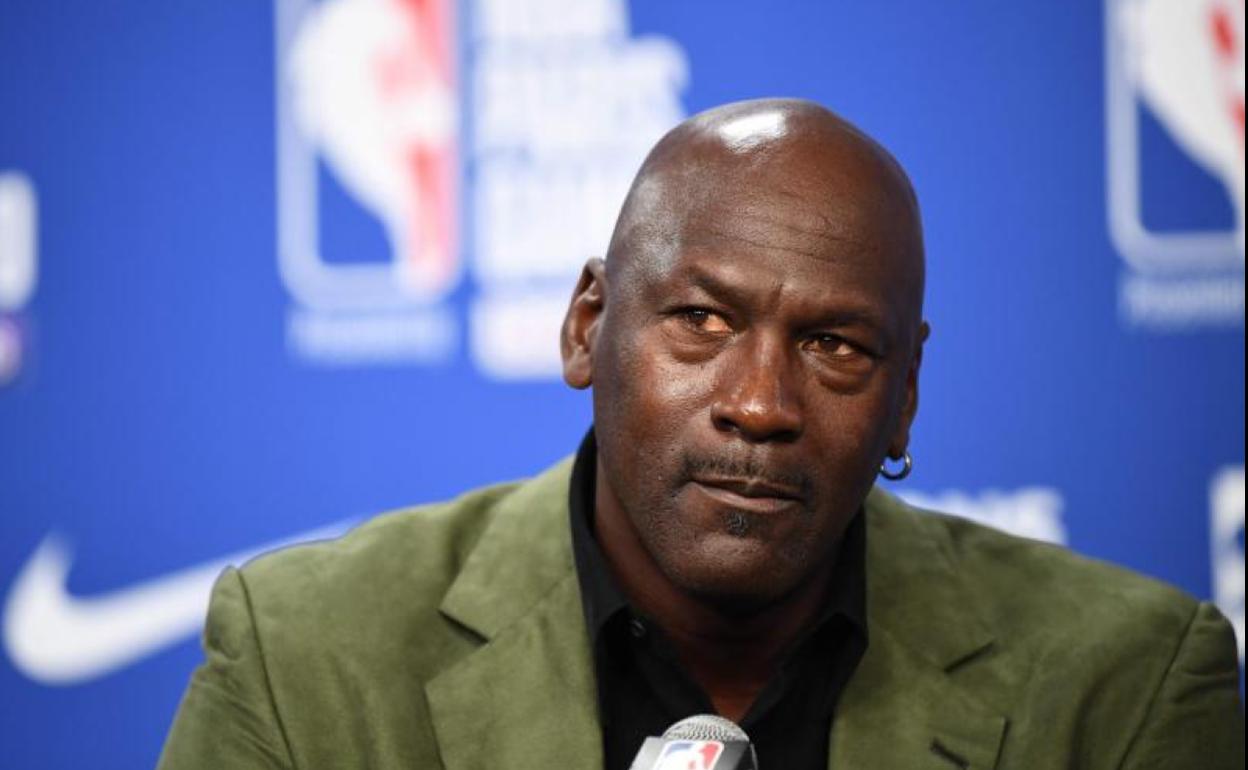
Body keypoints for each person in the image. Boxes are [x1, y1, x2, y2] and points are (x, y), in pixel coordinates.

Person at [158, 99, 1244, 769]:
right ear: (588, 325)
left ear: (906, 394)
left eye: (834, 345)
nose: (761, 404)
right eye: (703, 321)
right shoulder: (307, 655)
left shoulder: (1123, 685)